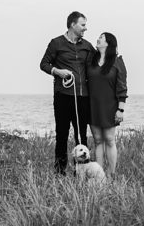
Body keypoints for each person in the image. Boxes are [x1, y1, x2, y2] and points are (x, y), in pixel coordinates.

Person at [40, 10, 95, 174]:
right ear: (72, 24)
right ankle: (59, 171)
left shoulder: (87, 46)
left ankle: (81, 173)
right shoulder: (56, 43)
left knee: (81, 136)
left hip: (82, 97)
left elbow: (97, 65)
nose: (85, 28)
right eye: (82, 25)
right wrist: (58, 71)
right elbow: (44, 64)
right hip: (62, 96)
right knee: (62, 134)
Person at [86, 31, 128, 178]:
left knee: (109, 139)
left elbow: (122, 87)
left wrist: (120, 109)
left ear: (108, 43)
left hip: (110, 106)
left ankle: (111, 174)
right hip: (93, 105)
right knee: (97, 140)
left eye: (101, 37)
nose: (98, 39)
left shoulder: (117, 61)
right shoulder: (91, 59)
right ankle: (100, 175)